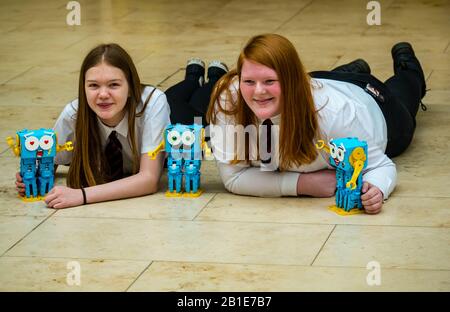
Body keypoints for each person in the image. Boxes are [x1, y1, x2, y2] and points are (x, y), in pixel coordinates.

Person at [206, 33, 427, 214]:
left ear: (292, 81)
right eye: (248, 81)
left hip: (373, 104)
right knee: (291, 87)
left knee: (405, 96)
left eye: (269, 81)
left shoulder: (336, 113)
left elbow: (381, 166)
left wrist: (377, 188)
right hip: (319, 80)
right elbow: (234, 177)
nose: (258, 91)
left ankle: (408, 68)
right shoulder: (229, 101)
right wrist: (301, 185)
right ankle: (348, 70)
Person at [15, 43, 171, 208]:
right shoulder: (73, 114)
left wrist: (81, 195)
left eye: (114, 85)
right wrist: (32, 177)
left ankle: (194, 74)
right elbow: (48, 162)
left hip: (174, 112)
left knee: (189, 101)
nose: (103, 95)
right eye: (94, 85)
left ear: (131, 87)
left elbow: (149, 180)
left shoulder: (152, 104)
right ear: (83, 88)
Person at [166, 58, 228, 126]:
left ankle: (194, 81)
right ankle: (212, 83)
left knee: (166, 101)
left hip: (174, 125)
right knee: (197, 109)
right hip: (199, 129)